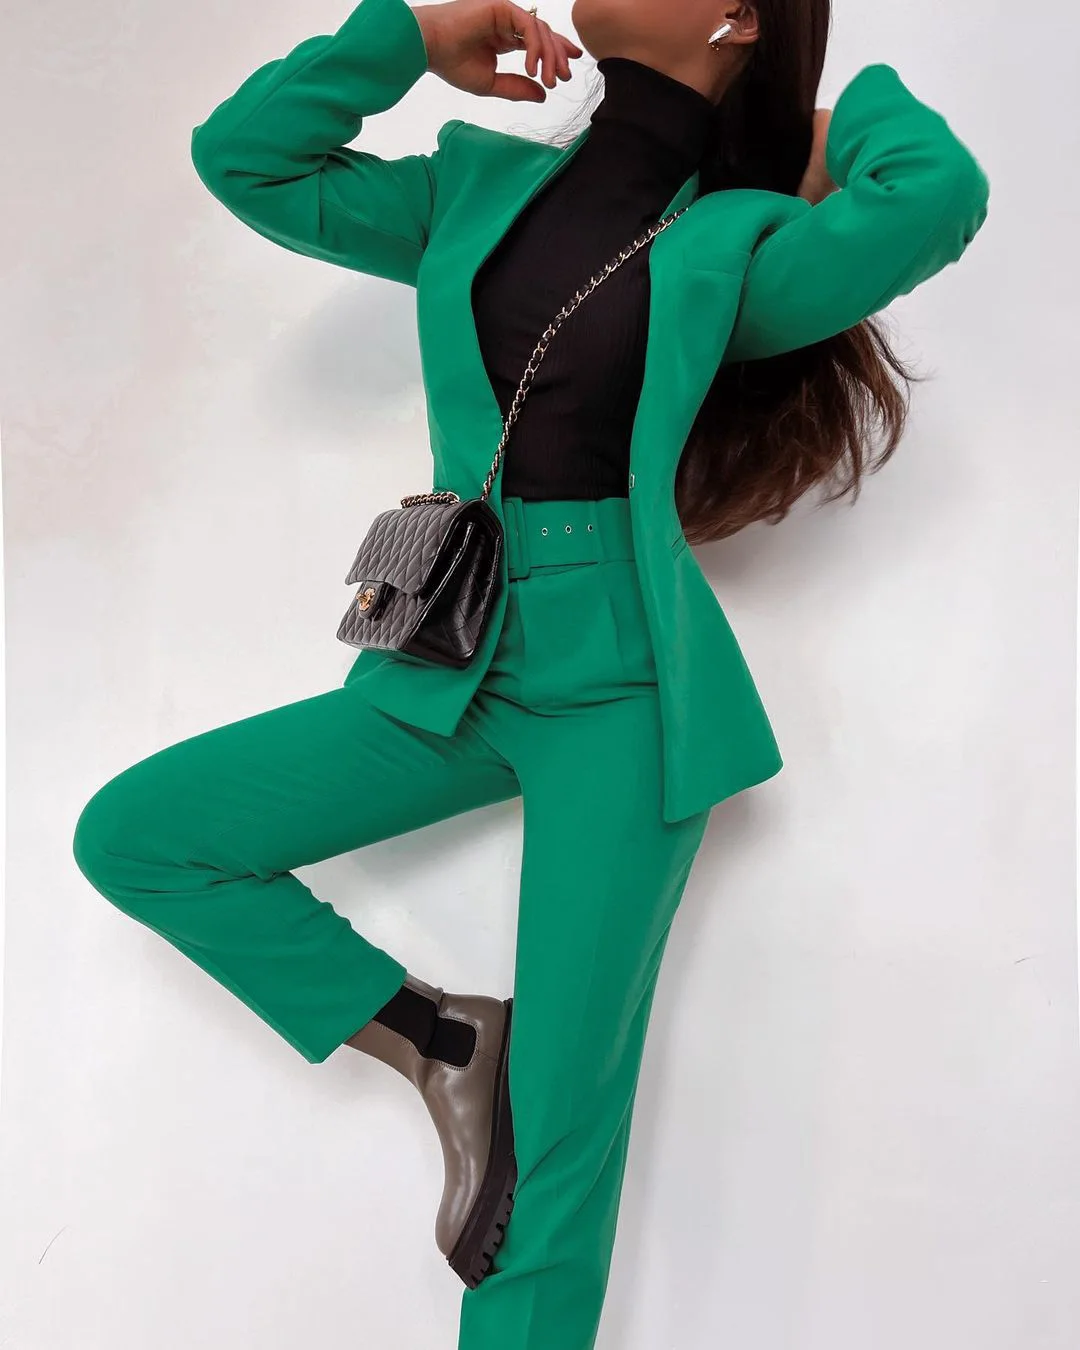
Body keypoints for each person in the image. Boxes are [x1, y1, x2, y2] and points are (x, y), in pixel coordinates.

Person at [71, 0, 990, 1346]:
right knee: (144, 834)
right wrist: (406, 36)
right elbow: (247, 160)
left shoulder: (738, 244)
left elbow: (937, 193)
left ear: (739, 14)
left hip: (628, 690)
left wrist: (830, 118)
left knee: (559, 1138)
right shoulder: (472, 185)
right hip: (452, 654)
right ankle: (442, 1040)